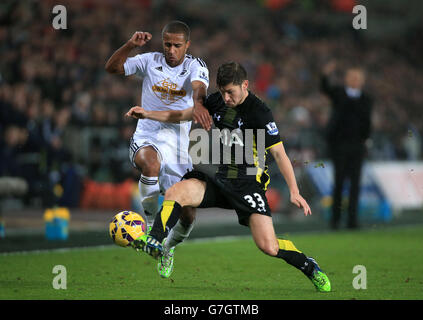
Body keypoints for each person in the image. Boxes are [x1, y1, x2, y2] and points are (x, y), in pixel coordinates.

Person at [126, 62, 331, 292]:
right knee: (177, 192)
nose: (225, 97)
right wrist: (149, 114)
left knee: (268, 246)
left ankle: (309, 266)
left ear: (245, 85)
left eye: (230, 92)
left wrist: (294, 191)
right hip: (220, 177)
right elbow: (185, 114)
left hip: (248, 185)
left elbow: (279, 154)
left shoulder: (260, 112)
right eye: (222, 91)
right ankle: (156, 240)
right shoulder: (218, 101)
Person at [105, 21, 213, 248]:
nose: (171, 51)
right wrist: (130, 45)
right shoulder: (149, 61)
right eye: (167, 45)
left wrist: (199, 104)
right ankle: (153, 227)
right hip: (147, 136)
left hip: (177, 147)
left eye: (177, 45)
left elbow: (199, 90)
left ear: (187, 45)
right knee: (150, 165)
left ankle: (167, 248)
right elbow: (112, 68)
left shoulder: (195, 66)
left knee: (188, 215)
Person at [321, 61, 373, 230]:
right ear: (346, 79)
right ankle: (335, 220)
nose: (355, 80)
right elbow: (325, 89)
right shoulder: (339, 93)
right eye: (352, 77)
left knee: (355, 184)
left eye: (358, 77)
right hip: (340, 145)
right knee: (339, 182)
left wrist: (366, 139)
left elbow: (367, 122)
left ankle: (352, 221)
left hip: (357, 145)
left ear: (362, 80)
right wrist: (325, 75)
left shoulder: (366, 99)